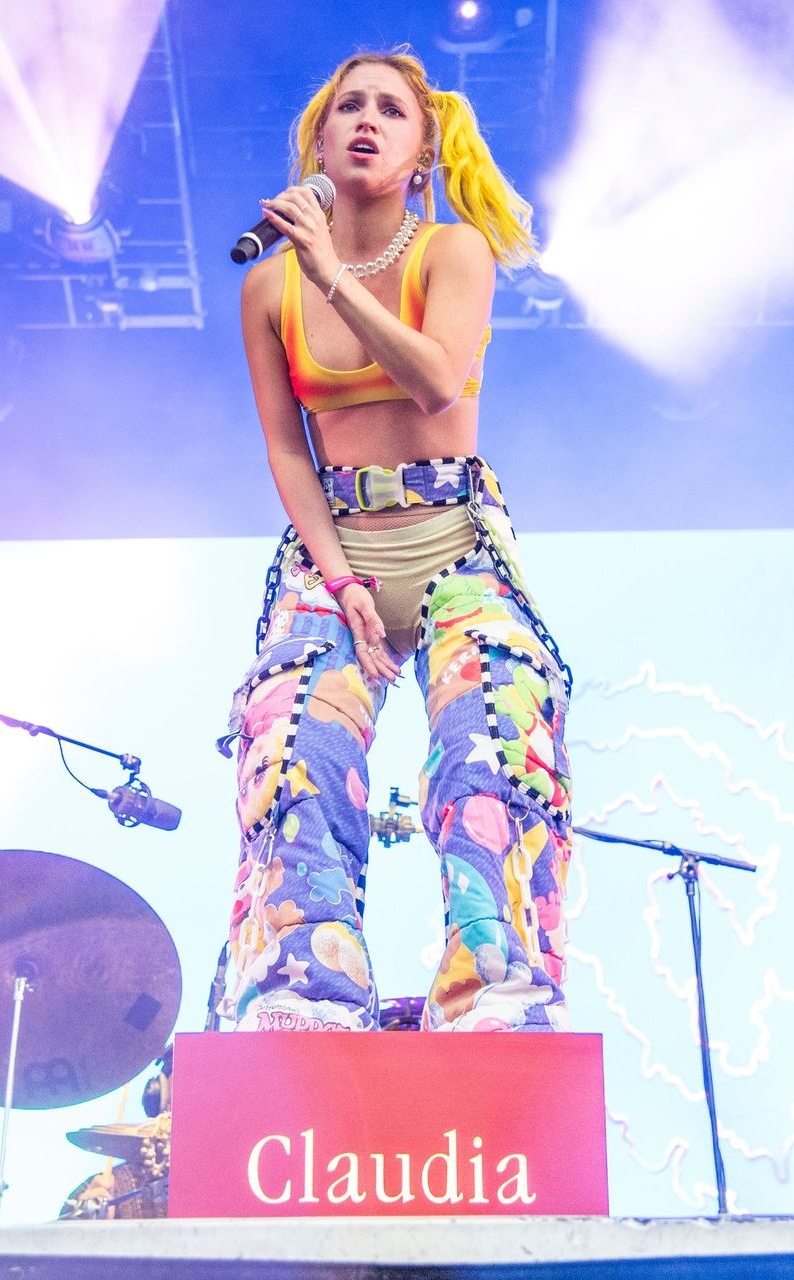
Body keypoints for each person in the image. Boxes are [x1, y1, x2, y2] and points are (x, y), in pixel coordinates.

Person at [216, 49, 573, 1033]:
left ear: (422, 155)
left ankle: (494, 987)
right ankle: (308, 986)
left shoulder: (454, 252)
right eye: (348, 108)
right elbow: (287, 450)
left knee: (493, 736)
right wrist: (339, 582)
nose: (366, 120)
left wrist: (332, 273)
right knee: (294, 737)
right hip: (337, 548)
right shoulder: (269, 287)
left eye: (390, 110)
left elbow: (435, 380)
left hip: (453, 536)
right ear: (319, 144)